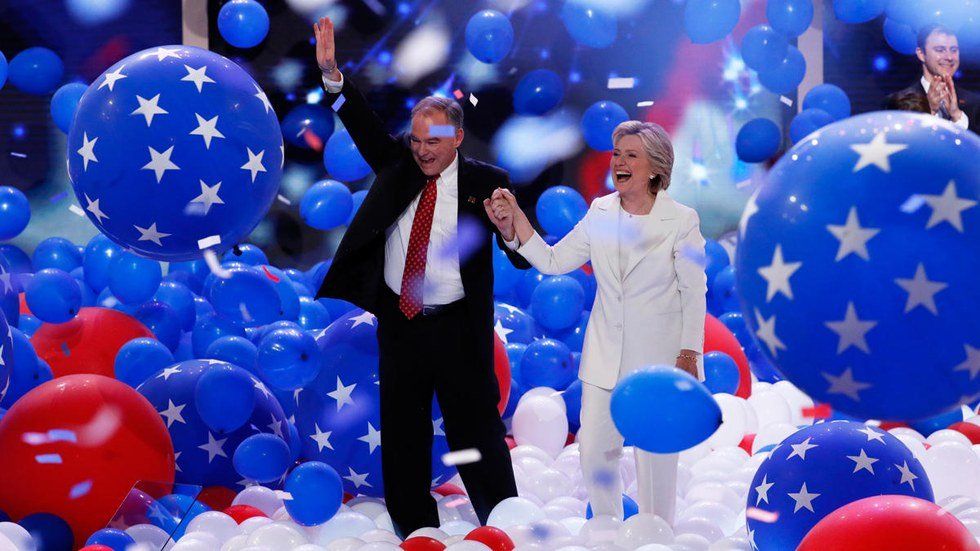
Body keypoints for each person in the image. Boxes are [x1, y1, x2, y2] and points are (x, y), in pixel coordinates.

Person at [311, 17, 528, 538]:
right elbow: (361, 121)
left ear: (457, 137)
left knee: (476, 427)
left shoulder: (488, 182)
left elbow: (521, 255)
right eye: (417, 141)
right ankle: (414, 529)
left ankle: (503, 521)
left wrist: (511, 230)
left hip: (458, 326)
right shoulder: (397, 166)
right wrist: (332, 75)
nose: (424, 150)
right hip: (401, 322)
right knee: (403, 428)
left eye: (434, 141)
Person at [485, 120, 707, 524]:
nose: (619, 162)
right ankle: (608, 530)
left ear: (656, 168)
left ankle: (657, 535)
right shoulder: (600, 211)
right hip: (604, 356)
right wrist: (514, 222)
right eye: (617, 153)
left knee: (657, 458)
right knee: (595, 452)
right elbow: (554, 261)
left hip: (658, 362)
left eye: (631, 155)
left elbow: (694, 290)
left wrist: (689, 353)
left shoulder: (681, 220)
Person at [884, 24, 979, 133]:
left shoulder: (975, 104)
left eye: (953, 50)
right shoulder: (896, 103)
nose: (949, 57)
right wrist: (928, 110)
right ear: (921, 54)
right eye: (940, 50)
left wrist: (957, 116)